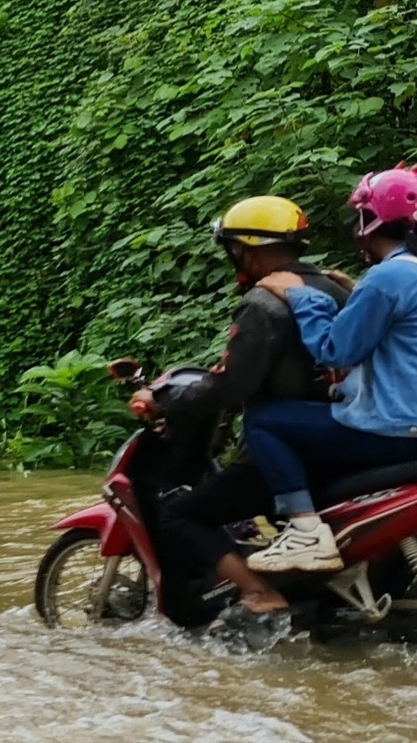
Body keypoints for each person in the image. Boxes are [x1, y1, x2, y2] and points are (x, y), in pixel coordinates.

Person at [147, 197, 350, 621]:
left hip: (284, 454)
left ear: (246, 249)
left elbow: (229, 385)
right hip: (341, 443)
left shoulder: (265, 303)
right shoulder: (334, 288)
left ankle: (259, 593)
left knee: (177, 515)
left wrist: (164, 399)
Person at [244, 168, 417, 572]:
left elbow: (335, 351)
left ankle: (305, 531)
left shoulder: (390, 276)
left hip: (394, 430)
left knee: (265, 421)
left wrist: (300, 295)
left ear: (370, 222)